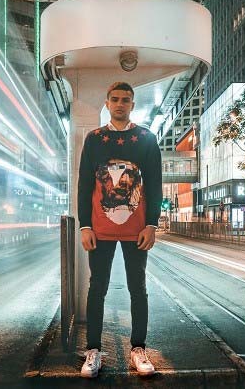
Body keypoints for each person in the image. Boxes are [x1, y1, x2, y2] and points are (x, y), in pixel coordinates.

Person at [78, 82, 162, 379]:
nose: (120, 104)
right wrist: (84, 225)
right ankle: (93, 351)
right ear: (106, 102)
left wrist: (152, 224)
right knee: (97, 288)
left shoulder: (146, 139)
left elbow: (154, 185)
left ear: (132, 104)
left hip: (136, 229)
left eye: (126, 100)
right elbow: (84, 184)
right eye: (115, 99)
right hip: (99, 229)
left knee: (137, 288)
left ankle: (138, 349)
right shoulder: (94, 139)